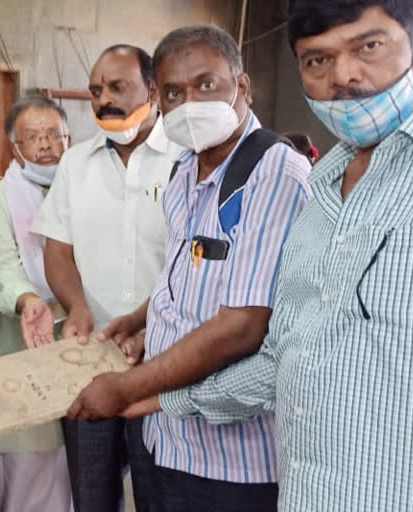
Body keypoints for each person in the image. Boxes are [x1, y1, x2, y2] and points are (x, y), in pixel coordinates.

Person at [116, 1, 413, 510]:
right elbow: (289, 354)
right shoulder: (327, 186)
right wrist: (164, 393)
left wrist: (137, 387)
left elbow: (246, 325)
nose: (344, 75)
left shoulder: (278, 173)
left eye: (369, 46)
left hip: (273, 471)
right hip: (300, 484)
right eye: (317, 60)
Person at [68, 26, 313, 511]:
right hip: (168, 442)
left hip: (233, 461)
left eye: (206, 85)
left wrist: (122, 389)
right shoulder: (184, 172)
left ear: (241, 88)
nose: (190, 103)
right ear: (158, 97)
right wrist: (142, 320)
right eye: (175, 92)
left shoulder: (273, 173)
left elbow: (243, 326)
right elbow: (186, 278)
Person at [31, 45, 184, 512]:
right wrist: (75, 305)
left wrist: (151, 325)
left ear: (153, 90)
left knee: (161, 493)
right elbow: (58, 248)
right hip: (89, 359)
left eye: (118, 87)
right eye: (97, 90)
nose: (103, 100)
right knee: (92, 494)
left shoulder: (188, 158)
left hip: (166, 363)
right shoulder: (76, 164)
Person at [0, 96, 73, 512]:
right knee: (28, 469)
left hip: (80, 341)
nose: (46, 145)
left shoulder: (82, 192)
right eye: (33, 137)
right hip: (22, 342)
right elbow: (2, 268)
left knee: (81, 465)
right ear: (14, 146)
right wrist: (30, 301)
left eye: (54, 134)